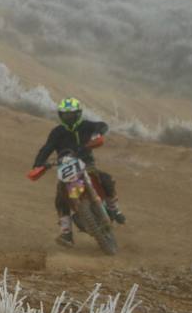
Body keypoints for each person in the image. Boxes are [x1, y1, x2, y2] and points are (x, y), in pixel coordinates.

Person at [32, 97, 125, 248]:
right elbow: (47, 148)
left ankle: (114, 208)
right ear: (61, 116)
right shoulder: (57, 132)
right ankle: (66, 233)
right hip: (66, 167)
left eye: (71, 115)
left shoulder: (85, 126)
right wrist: (38, 164)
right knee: (60, 198)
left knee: (106, 178)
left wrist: (97, 133)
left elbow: (102, 125)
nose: (68, 118)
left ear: (78, 114)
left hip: (86, 163)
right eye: (65, 115)